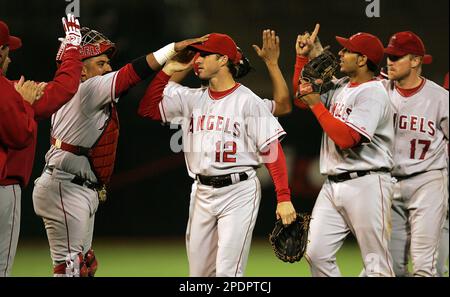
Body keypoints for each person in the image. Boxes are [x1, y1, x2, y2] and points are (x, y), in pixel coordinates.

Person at [31, 24, 206, 277]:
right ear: (80, 70)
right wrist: (172, 50)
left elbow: (132, 87)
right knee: (70, 269)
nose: (107, 68)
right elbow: (131, 74)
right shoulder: (87, 89)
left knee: (83, 267)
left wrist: (169, 69)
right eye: (100, 63)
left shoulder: (80, 91)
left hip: (72, 186)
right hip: (65, 187)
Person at [138, 30, 296, 276]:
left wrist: (283, 197)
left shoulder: (248, 101)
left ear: (223, 60)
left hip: (239, 191)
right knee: (198, 275)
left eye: (204, 55)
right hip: (201, 192)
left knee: (227, 273)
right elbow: (148, 108)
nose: (197, 60)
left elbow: (271, 150)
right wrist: (170, 69)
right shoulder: (191, 99)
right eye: (196, 55)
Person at [294, 26, 396, 276]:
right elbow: (300, 98)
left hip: (368, 183)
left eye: (347, 50)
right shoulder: (341, 86)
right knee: (315, 253)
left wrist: (318, 105)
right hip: (333, 185)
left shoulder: (373, 93)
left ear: (362, 59)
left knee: (376, 265)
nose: (340, 53)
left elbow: (349, 138)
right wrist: (302, 59)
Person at [0, 15, 82, 277]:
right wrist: (72, 48)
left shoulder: (10, 89)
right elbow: (20, 134)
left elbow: (59, 89)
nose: (10, 57)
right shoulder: (9, 92)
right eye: (6, 50)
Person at [381, 32, 448, 277]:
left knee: (424, 267)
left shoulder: (440, 98)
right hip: (389, 183)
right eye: (389, 56)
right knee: (393, 268)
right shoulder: (380, 91)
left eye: (397, 57)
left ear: (416, 61)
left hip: (427, 181)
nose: (390, 61)